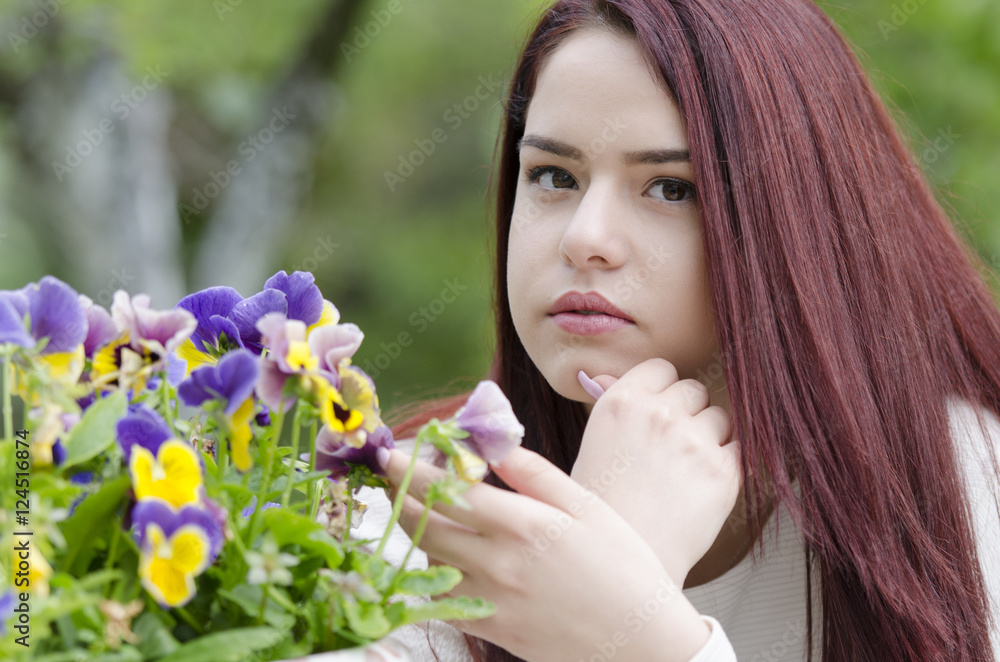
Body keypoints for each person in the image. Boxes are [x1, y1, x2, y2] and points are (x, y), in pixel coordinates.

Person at [353, 0, 1000, 660]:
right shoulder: (395, 519)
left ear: (797, 225)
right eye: (554, 176)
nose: (584, 239)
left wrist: (632, 625)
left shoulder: (960, 489)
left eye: (670, 188)